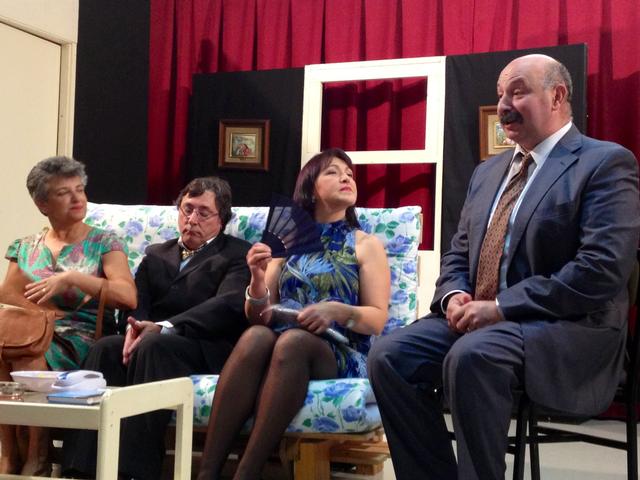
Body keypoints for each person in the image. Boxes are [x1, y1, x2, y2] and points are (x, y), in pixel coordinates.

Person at [367, 54, 640, 480]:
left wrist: (500, 307)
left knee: (473, 355)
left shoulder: (604, 163)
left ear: (557, 96)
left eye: (517, 92)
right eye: (500, 95)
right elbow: (458, 252)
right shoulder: (488, 171)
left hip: (565, 326)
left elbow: (601, 269)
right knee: (389, 355)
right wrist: (453, 295)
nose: (503, 106)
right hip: (484, 321)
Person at [197, 148, 391, 480]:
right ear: (310, 188)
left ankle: (246, 473)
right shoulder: (287, 241)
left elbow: (376, 319)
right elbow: (259, 316)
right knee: (255, 336)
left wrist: (337, 311)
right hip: (282, 343)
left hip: (340, 350)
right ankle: (207, 473)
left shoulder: (365, 244)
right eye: (333, 172)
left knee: (293, 343)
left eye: (349, 173)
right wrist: (257, 279)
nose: (346, 177)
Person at [62, 176, 252, 479]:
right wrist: (133, 327)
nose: (192, 219)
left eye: (203, 212)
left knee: (154, 345)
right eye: (187, 209)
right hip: (151, 338)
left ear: (222, 219)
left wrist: (164, 326)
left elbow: (226, 305)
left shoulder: (237, 253)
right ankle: (79, 467)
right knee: (106, 348)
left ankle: (135, 470)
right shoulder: (156, 254)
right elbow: (137, 300)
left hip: (204, 344)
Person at [0, 156, 136, 476]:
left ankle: (37, 453)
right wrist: (41, 314)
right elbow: (8, 294)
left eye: (79, 189)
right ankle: (10, 451)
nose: (77, 198)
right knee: (8, 347)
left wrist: (74, 278)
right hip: (36, 329)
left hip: (82, 334)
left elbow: (128, 296)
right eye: (64, 193)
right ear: (42, 204)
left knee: (29, 352)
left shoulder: (103, 242)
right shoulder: (25, 247)